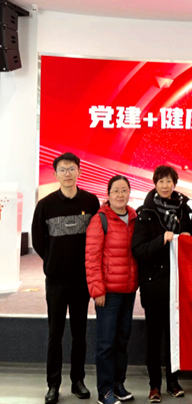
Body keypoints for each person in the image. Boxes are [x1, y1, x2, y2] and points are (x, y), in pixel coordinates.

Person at [32, 152, 100, 404]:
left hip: (82, 279)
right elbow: (38, 240)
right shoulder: (46, 205)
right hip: (56, 280)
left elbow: (98, 236)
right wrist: (52, 261)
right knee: (55, 334)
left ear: (79, 172)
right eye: (62, 169)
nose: (67, 173)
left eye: (72, 169)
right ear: (55, 174)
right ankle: (53, 385)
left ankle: (78, 381)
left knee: (79, 333)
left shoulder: (91, 201)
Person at [131, 165, 192, 403]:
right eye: (161, 181)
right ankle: (154, 385)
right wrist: (161, 240)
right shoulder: (144, 213)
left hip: (178, 285)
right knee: (154, 339)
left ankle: (173, 382)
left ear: (174, 184)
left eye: (169, 181)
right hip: (154, 285)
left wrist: (189, 239)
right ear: (155, 184)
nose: (165, 186)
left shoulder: (184, 210)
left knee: (174, 338)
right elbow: (138, 250)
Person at [86, 175, 138, 404]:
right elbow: (92, 257)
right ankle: (104, 390)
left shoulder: (134, 217)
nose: (120, 194)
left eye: (124, 190)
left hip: (128, 290)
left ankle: (118, 384)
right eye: (115, 190)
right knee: (106, 343)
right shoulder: (100, 220)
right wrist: (97, 289)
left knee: (122, 340)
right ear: (108, 194)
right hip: (108, 293)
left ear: (129, 193)